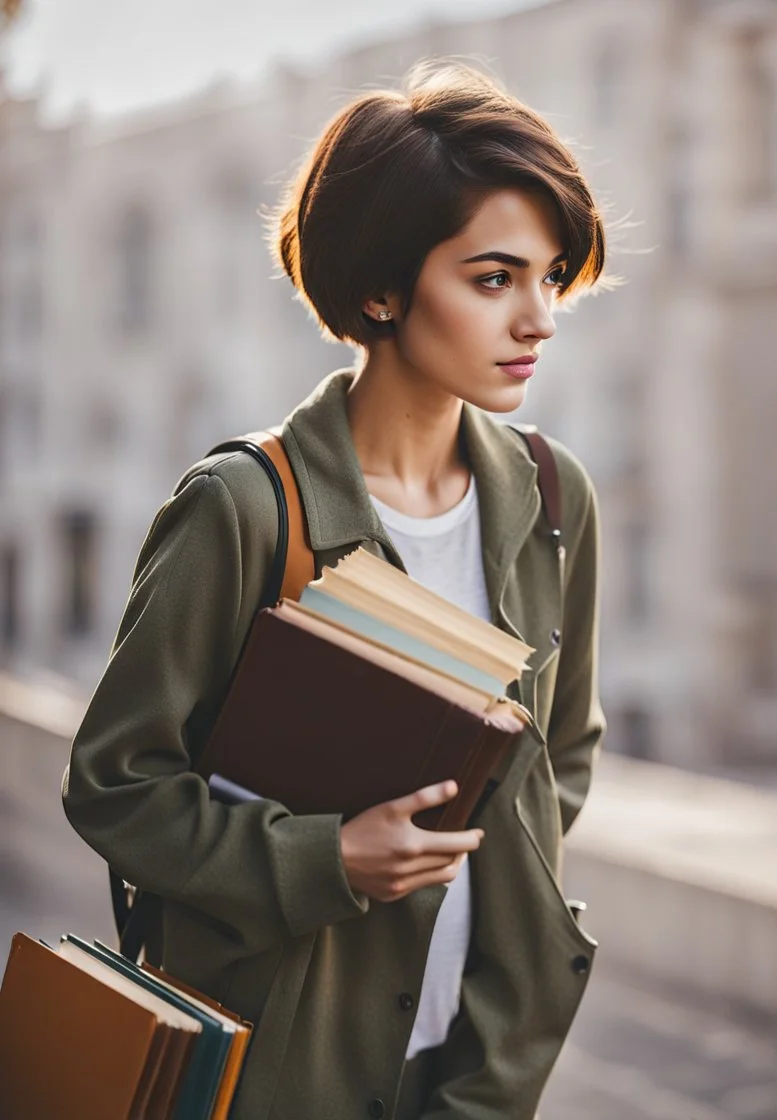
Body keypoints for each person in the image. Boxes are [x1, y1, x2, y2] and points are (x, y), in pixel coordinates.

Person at [63, 61, 607, 1120]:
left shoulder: (550, 495)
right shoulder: (244, 506)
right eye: (493, 279)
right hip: (277, 1065)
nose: (537, 317)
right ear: (379, 288)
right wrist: (330, 859)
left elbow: (562, 756)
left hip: (474, 1063)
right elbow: (113, 784)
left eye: (550, 276)